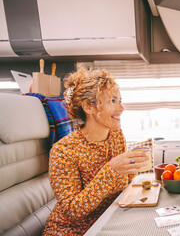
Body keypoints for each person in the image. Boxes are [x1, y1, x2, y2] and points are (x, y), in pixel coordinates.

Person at [42, 68, 149, 235]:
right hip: (72, 231)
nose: (121, 108)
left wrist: (133, 166)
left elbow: (124, 183)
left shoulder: (116, 135)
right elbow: (73, 210)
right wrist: (111, 170)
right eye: (113, 101)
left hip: (109, 221)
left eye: (120, 100)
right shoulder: (63, 151)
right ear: (88, 107)